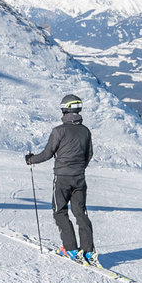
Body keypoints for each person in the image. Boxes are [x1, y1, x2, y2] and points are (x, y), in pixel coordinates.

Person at [25, 94, 99, 267]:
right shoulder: (85, 131)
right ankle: (88, 252)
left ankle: (71, 249)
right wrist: (79, 168)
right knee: (81, 213)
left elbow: (47, 154)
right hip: (79, 177)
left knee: (60, 212)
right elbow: (89, 154)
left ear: (65, 109)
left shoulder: (59, 130)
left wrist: (30, 159)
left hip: (62, 178)